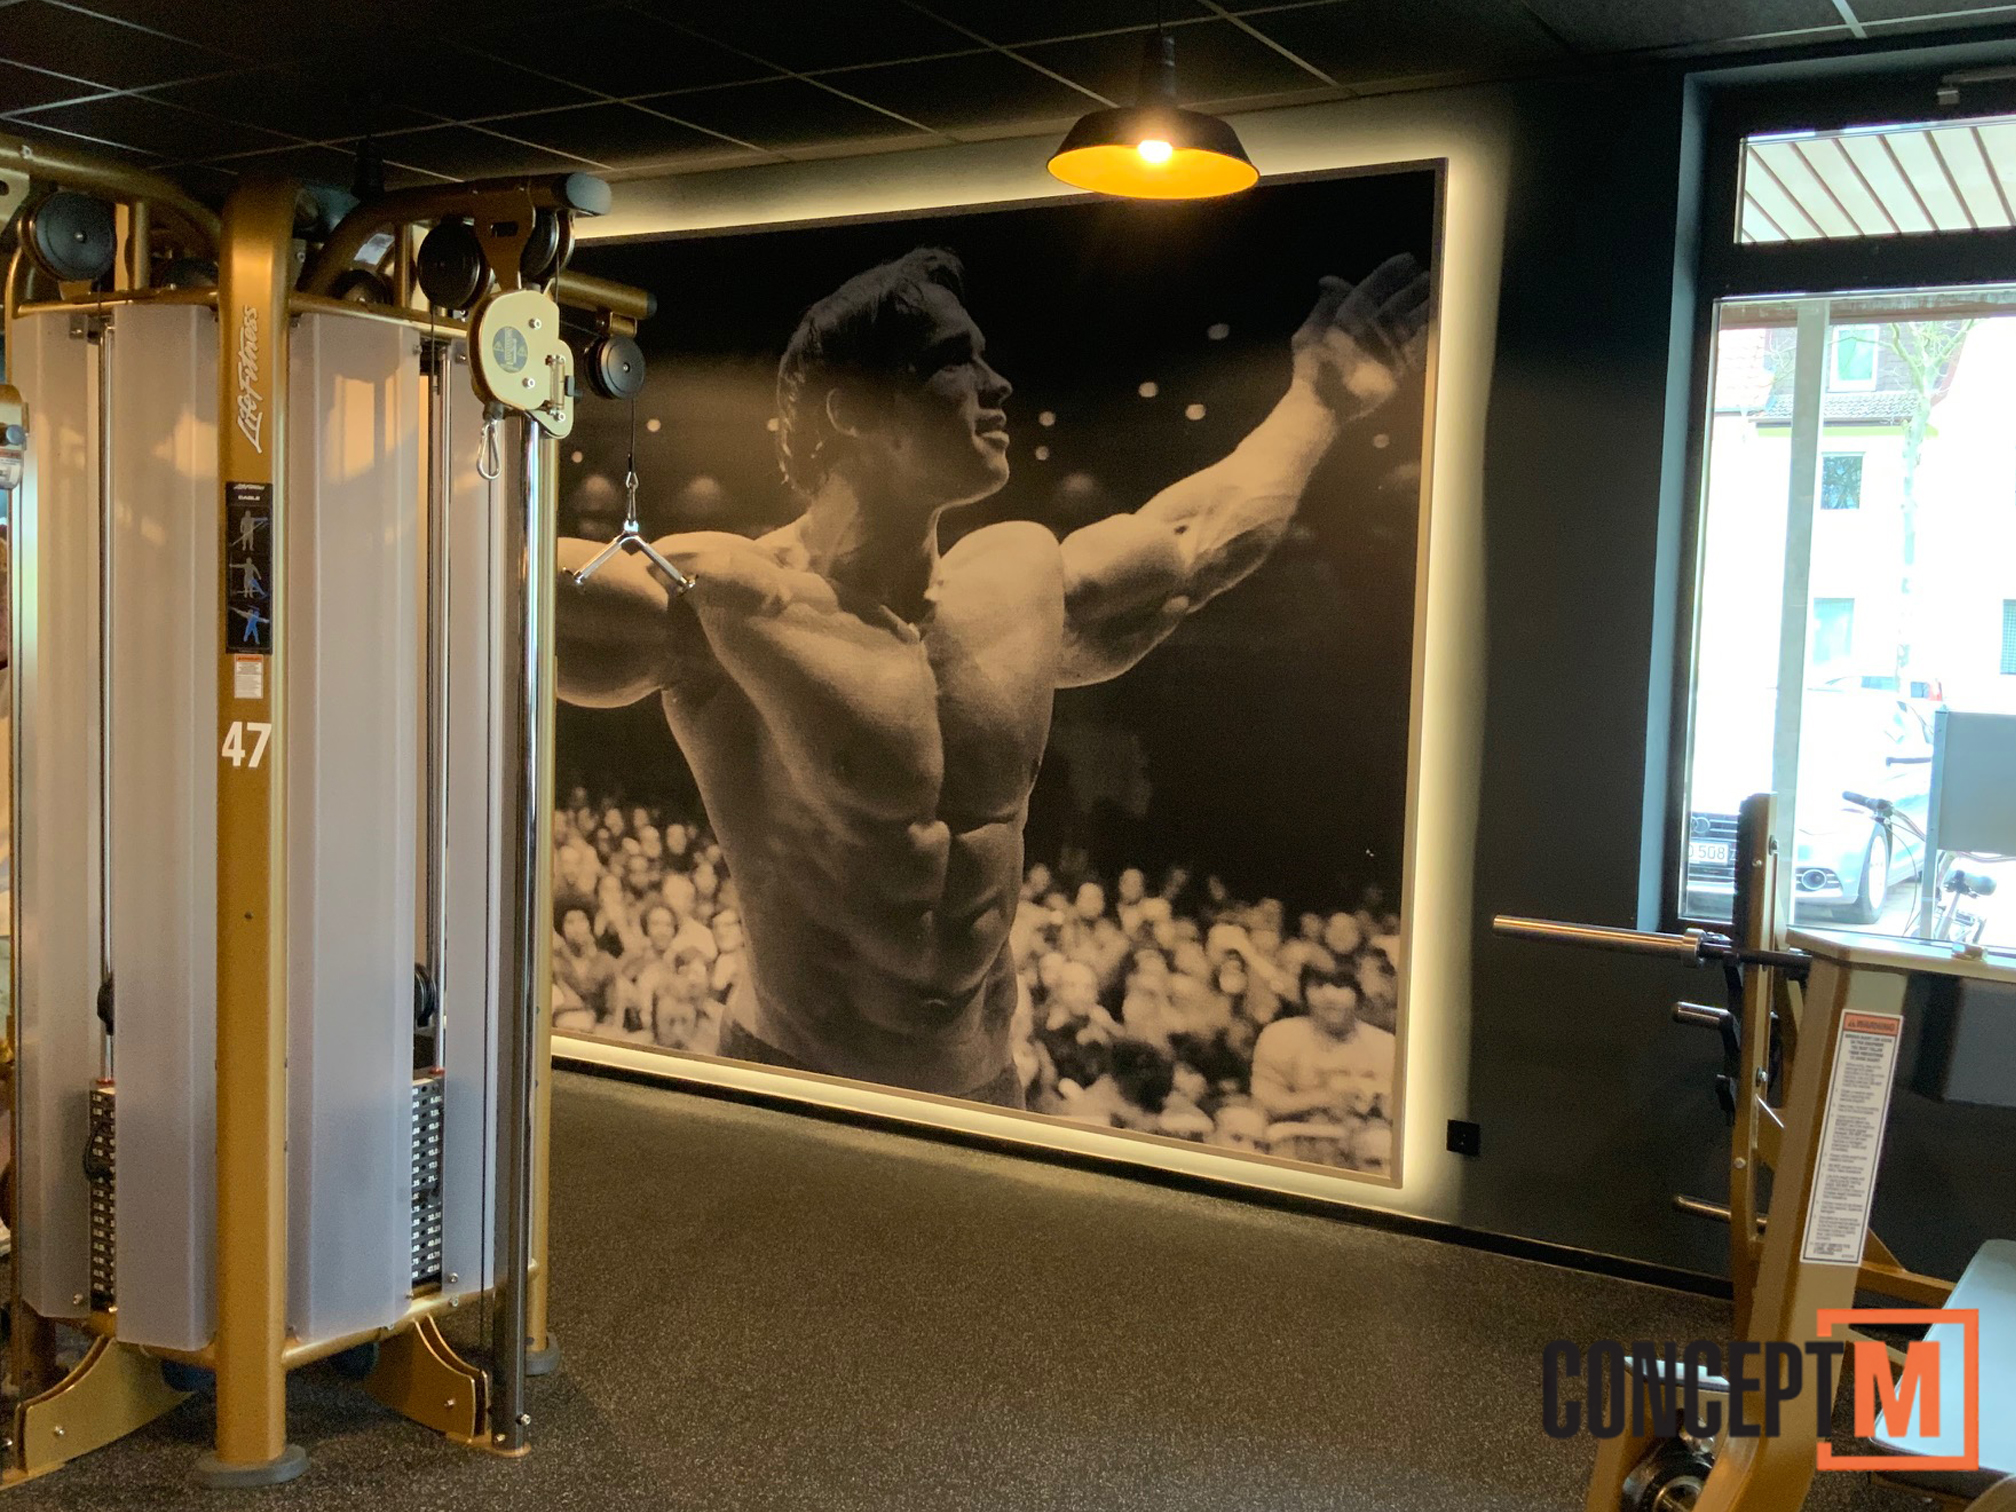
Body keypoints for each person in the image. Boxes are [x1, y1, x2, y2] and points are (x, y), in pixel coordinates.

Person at [557, 246, 1427, 1107]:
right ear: (851, 408)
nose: (997, 384)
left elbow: (1193, 545)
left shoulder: (1021, 585)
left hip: (984, 1090)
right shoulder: (724, 604)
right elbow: (507, 585)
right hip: (797, 1084)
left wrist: (1317, 403)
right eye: (952, 359)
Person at [1249, 962, 1396, 1157]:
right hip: (1294, 1144)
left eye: (1341, 986)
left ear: (1359, 992)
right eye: (1318, 985)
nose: (1329, 996)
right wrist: (1326, 1098)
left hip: (1365, 1149)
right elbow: (1264, 1103)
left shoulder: (1385, 1045)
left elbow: (1398, 1112)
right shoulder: (1280, 1035)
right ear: (1304, 991)